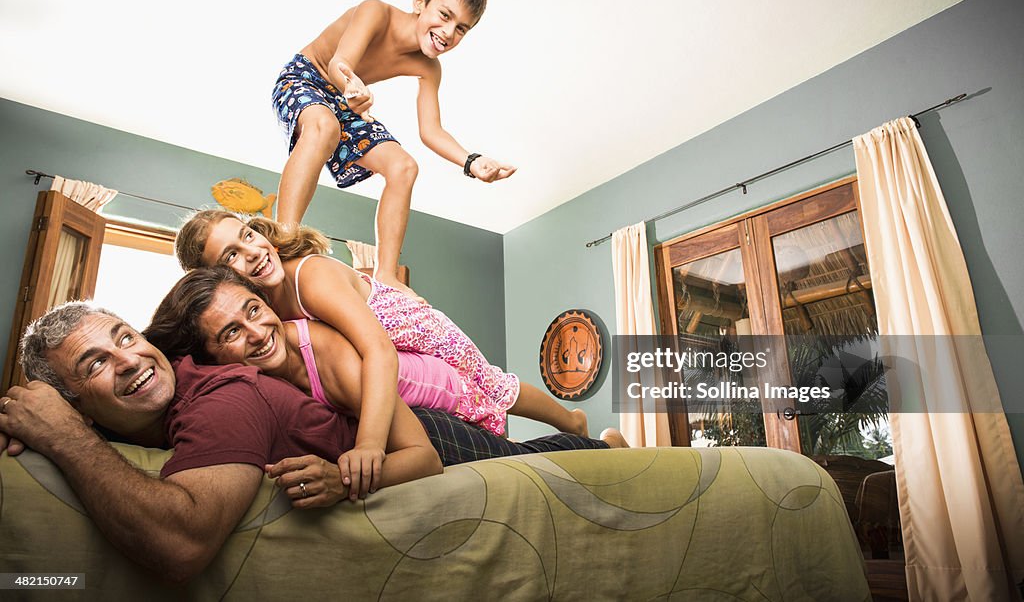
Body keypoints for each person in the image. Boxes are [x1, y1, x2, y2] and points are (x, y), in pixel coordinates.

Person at [0, 303, 620, 583]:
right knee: (535, 456)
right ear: (75, 403)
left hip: (426, 436)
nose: (130, 358)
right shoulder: (136, 411)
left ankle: (611, 447)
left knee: (544, 465)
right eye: (95, 363)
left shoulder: (224, 395)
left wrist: (62, 436)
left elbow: (180, 542)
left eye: (126, 336)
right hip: (390, 435)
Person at [145, 266, 611, 497]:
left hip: (435, 397)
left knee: (517, 458)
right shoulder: (246, 383)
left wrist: (345, 475)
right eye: (230, 333)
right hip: (410, 403)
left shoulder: (327, 357)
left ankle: (606, 446)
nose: (255, 333)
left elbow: (423, 459)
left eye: (253, 310)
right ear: (212, 357)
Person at [175, 209, 589, 442]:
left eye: (247, 235)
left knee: (493, 386)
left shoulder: (309, 278)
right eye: (231, 255)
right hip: (391, 344)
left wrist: (370, 444)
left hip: (420, 331)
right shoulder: (260, 309)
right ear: (218, 279)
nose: (252, 252)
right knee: (456, 397)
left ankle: (571, 424)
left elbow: (376, 349)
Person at [273, 0, 515, 301]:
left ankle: (386, 274)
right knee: (324, 125)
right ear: (420, 2)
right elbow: (338, 64)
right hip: (306, 78)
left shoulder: (429, 68)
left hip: (346, 99)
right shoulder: (376, 12)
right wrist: (351, 83)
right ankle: (285, 237)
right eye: (444, 15)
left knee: (404, 167)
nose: (448, 33)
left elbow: (431, 130)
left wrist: (472, 162)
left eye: (462, 28)